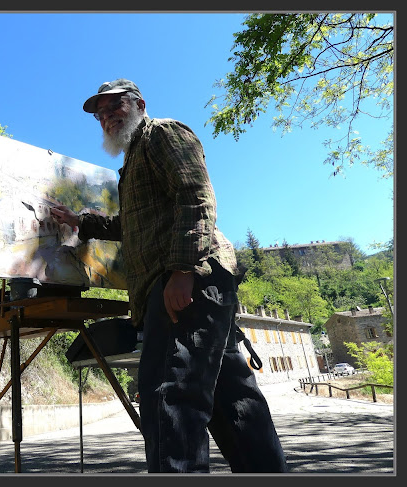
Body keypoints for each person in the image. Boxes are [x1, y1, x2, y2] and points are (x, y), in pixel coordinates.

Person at [51, 79, 288, 474]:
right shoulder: (132, 161)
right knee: (233, 401)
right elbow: (130, 225)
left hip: (187, 281)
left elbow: (195, 195)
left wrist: (182, 270)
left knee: (171, 398)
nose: (106, 117)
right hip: (197, 286)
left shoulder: (162, 134)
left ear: (139, 104)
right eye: (100, 114)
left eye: (114, 107)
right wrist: (80, 222)